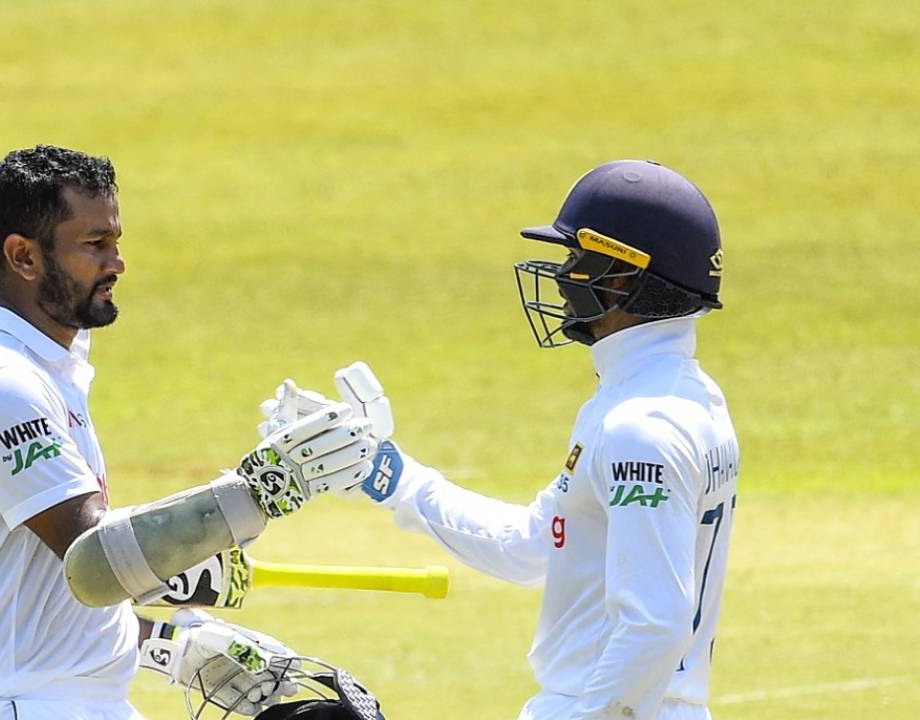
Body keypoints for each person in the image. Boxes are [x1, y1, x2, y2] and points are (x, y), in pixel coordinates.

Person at [263, 160, 740, 719]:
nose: (562, 276)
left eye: (576, 260)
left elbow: (655, 625)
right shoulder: (679, 399)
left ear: (622, 277)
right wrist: (389, 475)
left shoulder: (639, 429)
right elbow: (532, 546)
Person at [0, 145, 380, 720]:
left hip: (73, 701)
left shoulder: (45, 373)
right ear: (24, 256)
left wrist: (173, 647)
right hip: (22, 706)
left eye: (116, 241)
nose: (116, 262)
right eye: (94, 245)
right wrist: (259, 491)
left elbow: (52, 593)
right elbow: (95, 561)